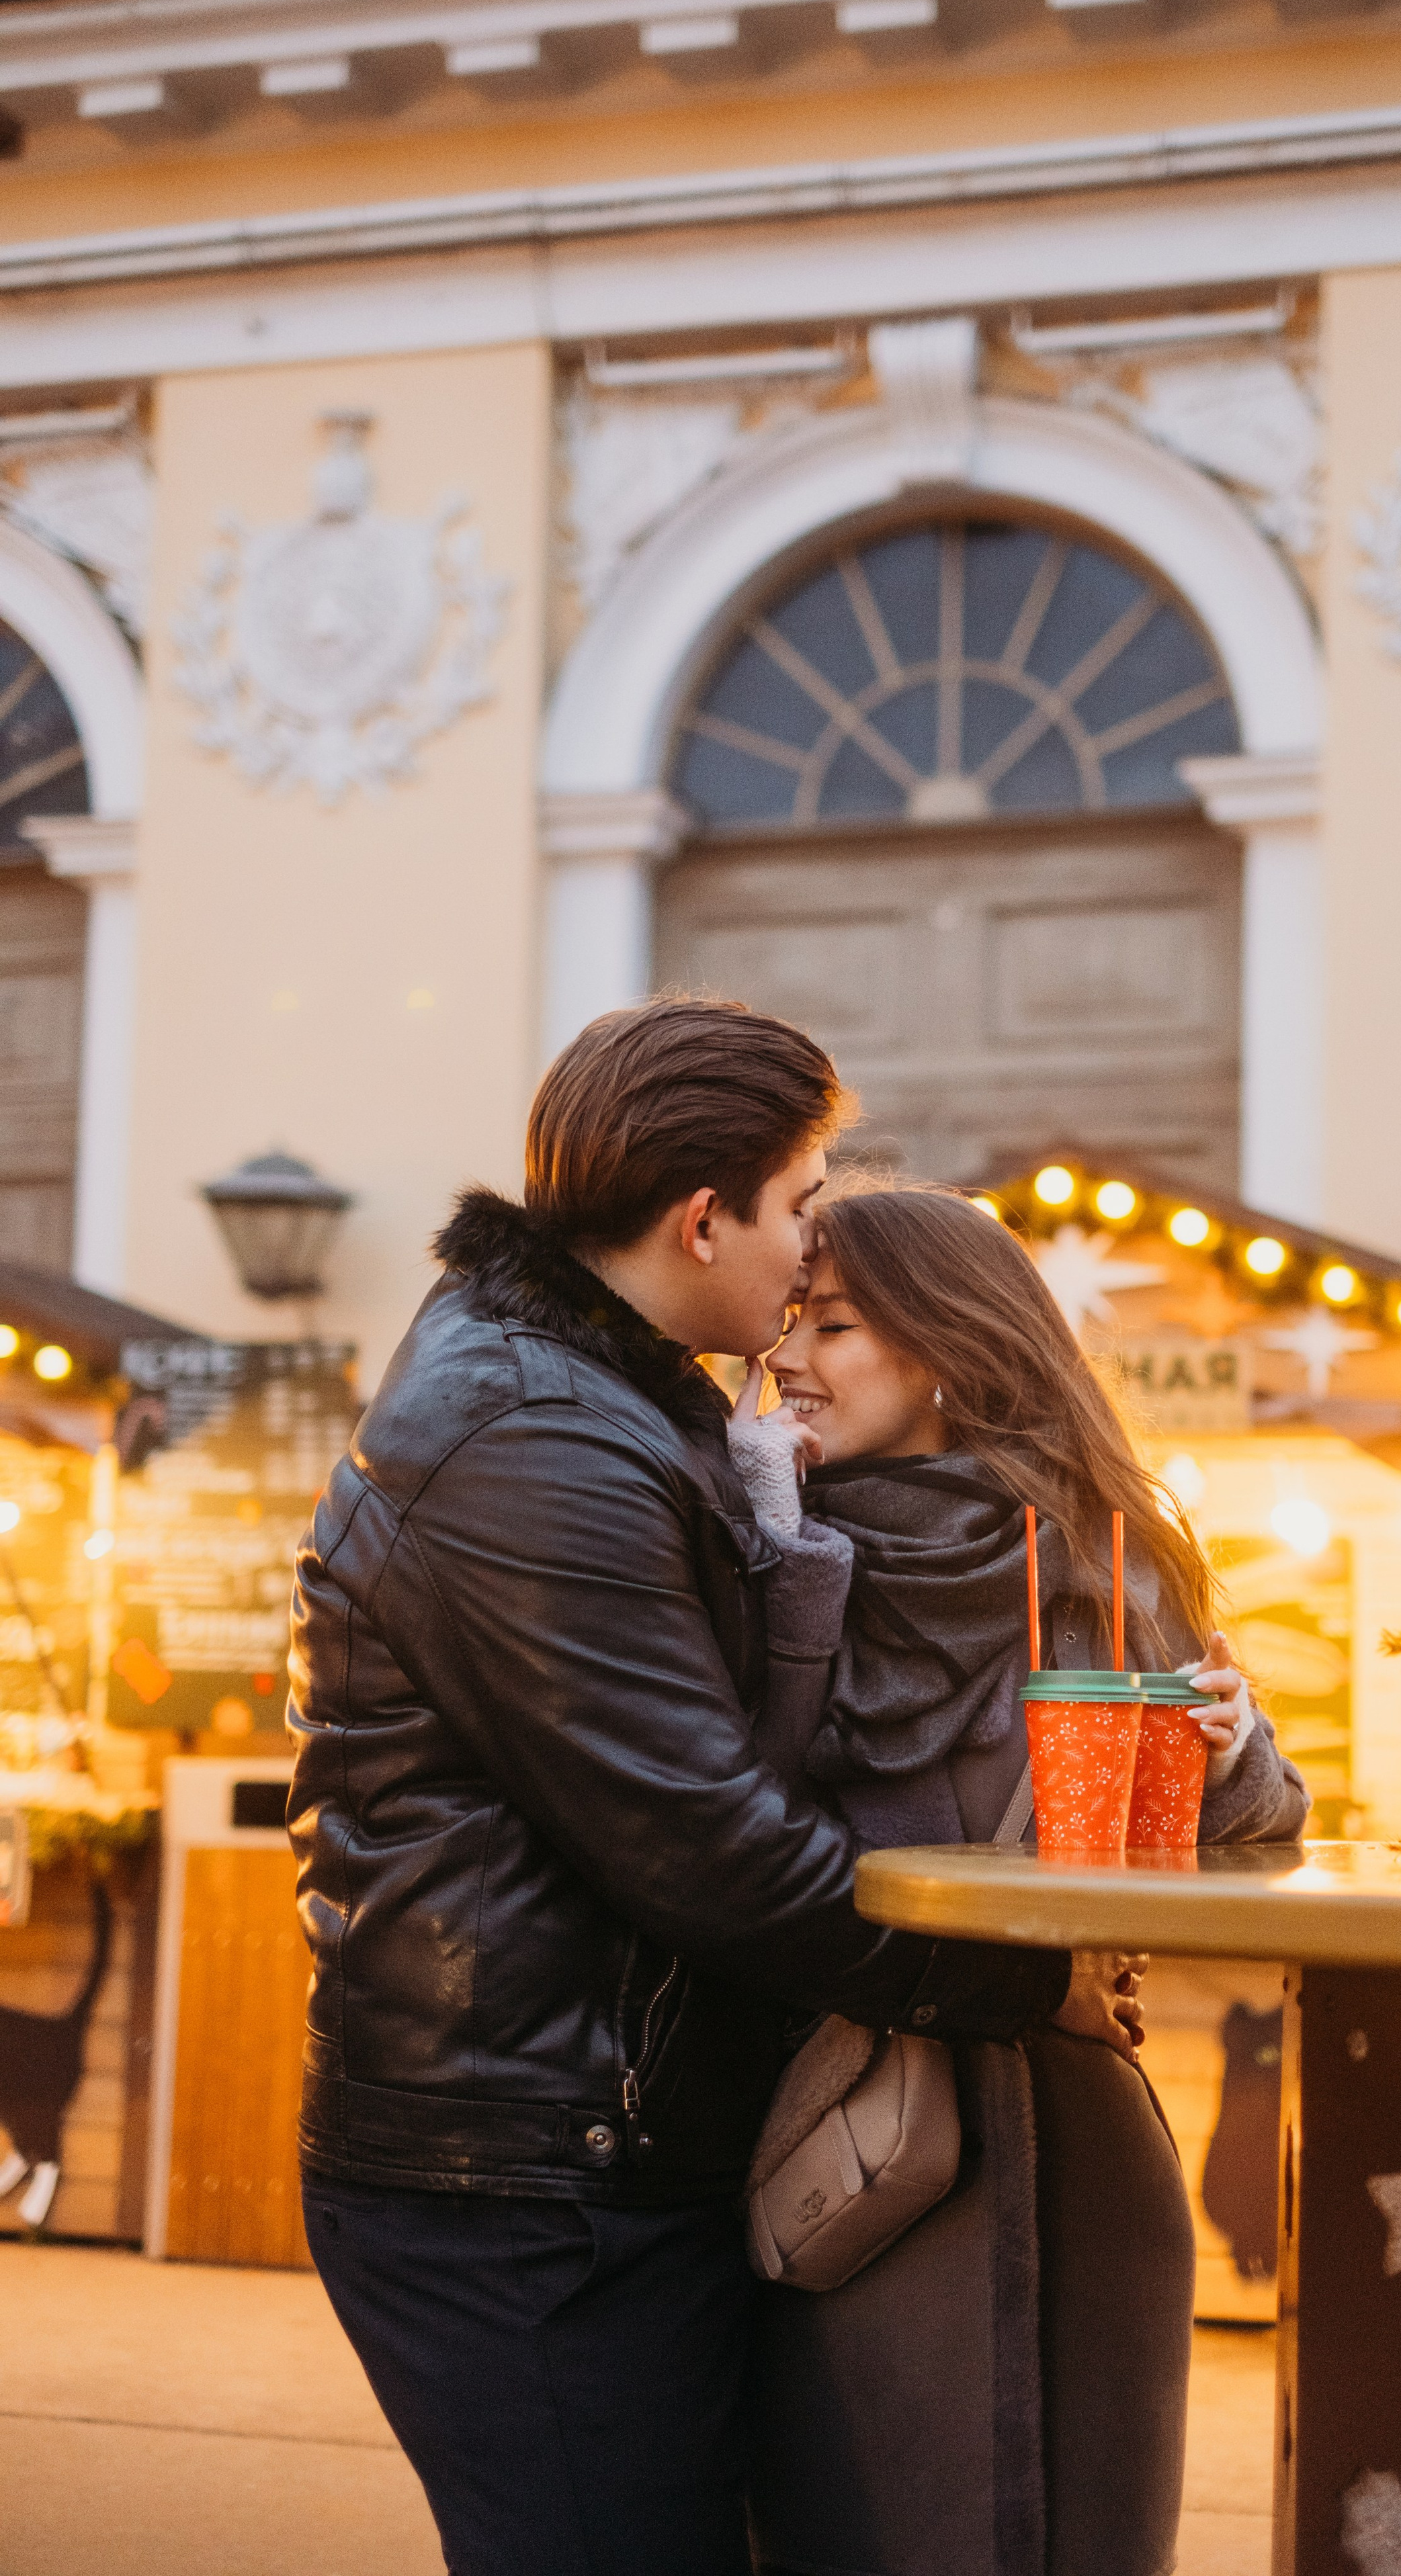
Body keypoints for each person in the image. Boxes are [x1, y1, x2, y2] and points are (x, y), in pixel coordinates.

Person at [286, 999, 1131, 2576]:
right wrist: (1024, 1979)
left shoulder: (603, 1394)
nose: (811, 1250)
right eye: (801, 1203)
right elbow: (706, 1845)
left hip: (592, 2142)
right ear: (700, 1218)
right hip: (526, 2173)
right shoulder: (533, 1433)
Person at [726, 1182, 1309, 2576]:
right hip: (843, 2137)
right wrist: (780, 1560)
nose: (789, 1356)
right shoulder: (755, 1546)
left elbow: (1252, 1826)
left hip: (1071, 2141)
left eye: (838, 1323)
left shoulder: (1096, 1556)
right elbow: (725, 1819)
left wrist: (1228, 1749)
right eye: (788, 1322)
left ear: (946, 1344)